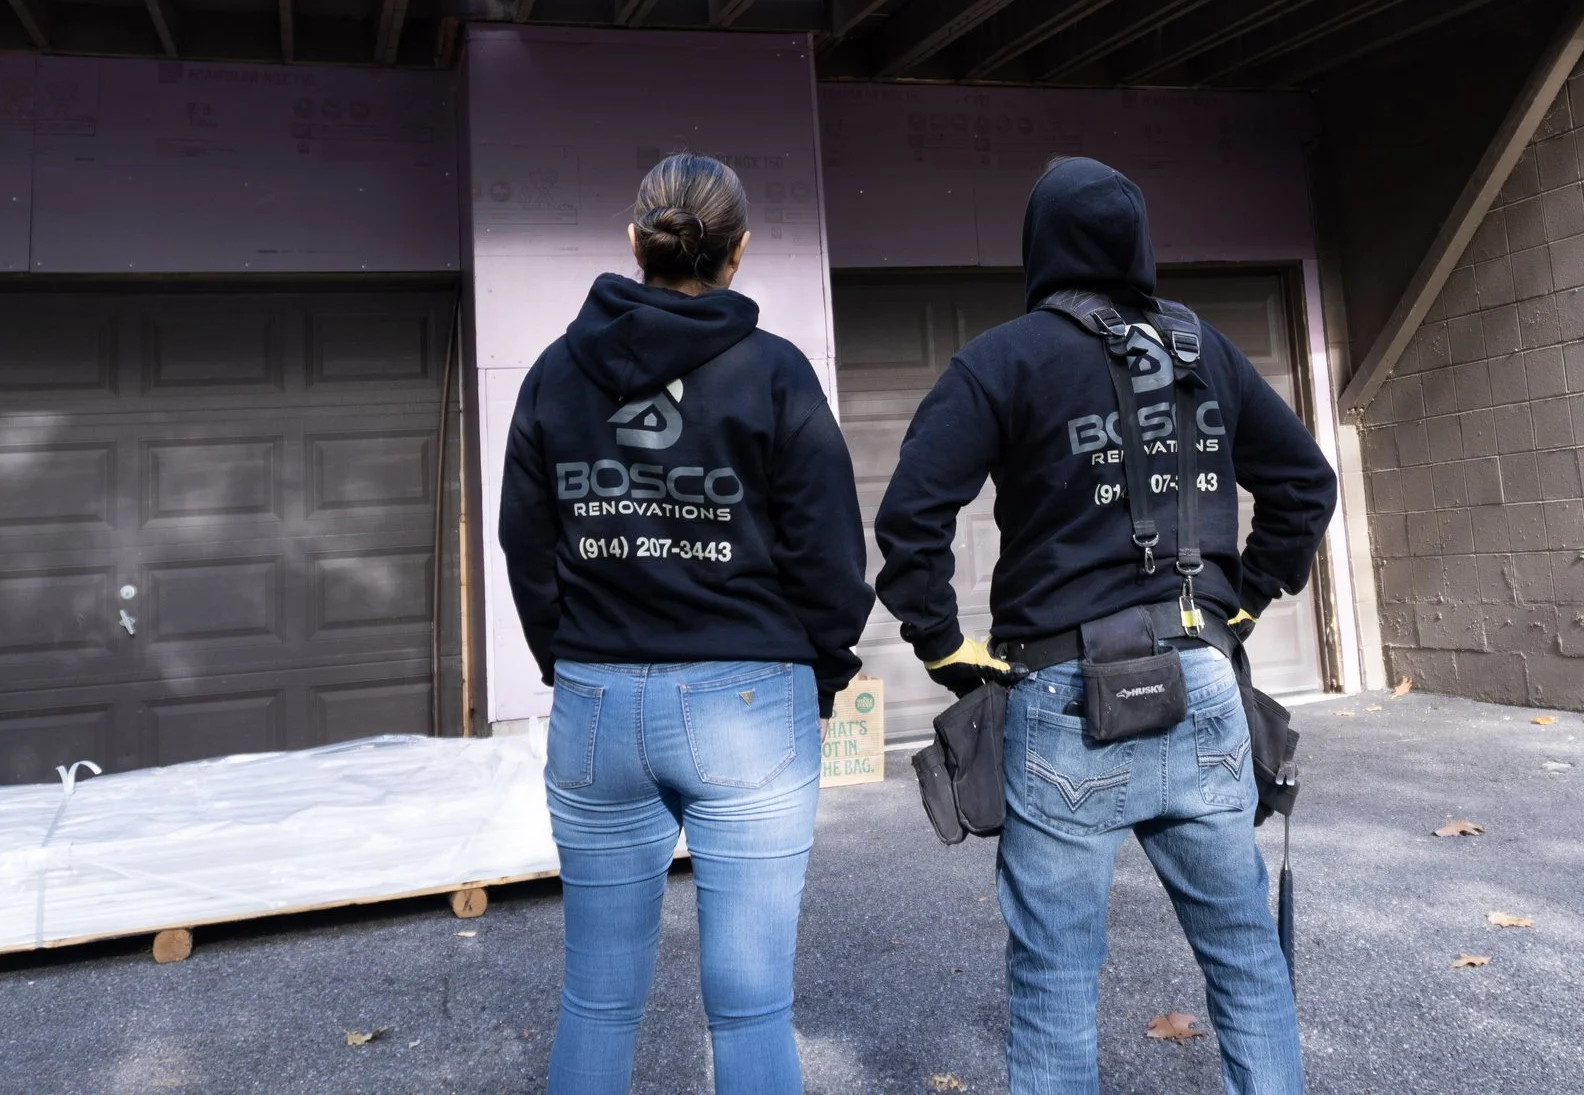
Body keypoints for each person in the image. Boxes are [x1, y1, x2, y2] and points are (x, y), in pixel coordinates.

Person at [875, 157, 1337, 1095]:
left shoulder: (1004, 358)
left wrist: (942, 644)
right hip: (1202, 682)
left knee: (1055, 978)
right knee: (1246, 955)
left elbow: (911, 516)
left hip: (1063, 695)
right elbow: (1305, 484)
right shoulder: (1204, 351)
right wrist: (1244, 600)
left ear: (1041, 247)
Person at [499, 152, 873, 1095]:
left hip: (596, 701)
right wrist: (824, 669)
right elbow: (831, 552)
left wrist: (568, 659)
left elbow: (525, 544)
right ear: (738, 252)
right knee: (751, 1010)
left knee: (596, 1001)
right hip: (750, 701)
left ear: (635, 241)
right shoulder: (775, 373)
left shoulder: (554, 374)